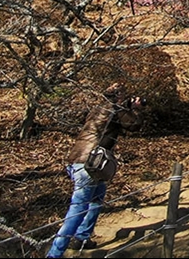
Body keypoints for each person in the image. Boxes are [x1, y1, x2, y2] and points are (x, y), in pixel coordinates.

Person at [46, 83, 145, 257]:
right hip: (90, 165)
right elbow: (134, 125)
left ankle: (83, 237)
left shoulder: (98, 108)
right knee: (78, 207)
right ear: (118, 97)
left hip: (76, 160)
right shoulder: (114, 109)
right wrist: (136, 108)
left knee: (97, 196)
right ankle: (55, 253)